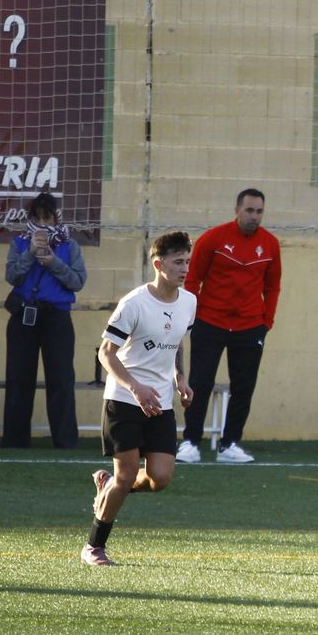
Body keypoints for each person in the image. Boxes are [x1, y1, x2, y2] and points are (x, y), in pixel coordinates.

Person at [83, 231, 196, 567]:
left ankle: (108, 488)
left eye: (187, 261)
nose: (185, 268)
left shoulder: (188, 302)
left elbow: (175, 345)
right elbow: (106, 353)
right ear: (158, 264)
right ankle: (93, 547)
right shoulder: (134, 303)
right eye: (178, 262)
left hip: (160, 402)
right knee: (127, 474)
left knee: (160, 478)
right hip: (124, 399)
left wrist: (180, 378)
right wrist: (135, 387)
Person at [176, 188, 281, 464]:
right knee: (200, 382)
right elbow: (192, 279)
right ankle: (190, 442)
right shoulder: (213, 238)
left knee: (243, 386)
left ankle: (230, 444)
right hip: (210, 322)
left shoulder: (270, 244)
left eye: (259, 211)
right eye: (249, 210)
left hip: (250, 326)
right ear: (237, 210)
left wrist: (265, 322)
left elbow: (272, 286)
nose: (254, 216)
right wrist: (193, 316)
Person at [1, 192, 87, 449]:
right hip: (24, 316)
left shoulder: (68, 246)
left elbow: (77, 281)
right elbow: (12, 276)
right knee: (19, 377)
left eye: (46, 217)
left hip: (56, 317)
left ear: (55, 218)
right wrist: (30, 254)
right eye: (36, 218)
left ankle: (65, 440)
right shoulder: (19, 244)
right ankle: (15, 441)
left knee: (60, 378)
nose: (41, 223)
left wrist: (52, 262)